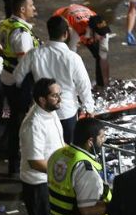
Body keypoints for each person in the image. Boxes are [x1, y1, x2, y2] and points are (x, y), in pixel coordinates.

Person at [12, 78, 65, 215]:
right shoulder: (34, 124)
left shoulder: (50, 114)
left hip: (49, 179)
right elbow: (35, 162)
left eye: (59, 94)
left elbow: (57, 145)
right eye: (54, 95)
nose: (59, 98)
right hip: (39, 183)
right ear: (42, 100)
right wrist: (62, 172)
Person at [0, 0, 40, 175]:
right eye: (31, 6)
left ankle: (7, 151)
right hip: (20, 83)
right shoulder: (22, 33)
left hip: (6, 77)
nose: (34, 8)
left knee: (14, 116)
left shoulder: (5, 23)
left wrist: (4, 55)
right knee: (19, 121)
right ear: (22, 9)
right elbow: (26, 63)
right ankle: (15, 163)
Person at [14, 16, 95, 144]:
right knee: (67, 151)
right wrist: (89, 107)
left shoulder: (33, 54)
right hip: (66, 112)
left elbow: (17, 78)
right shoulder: (73, 58)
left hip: (42, 111)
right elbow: (83, 85)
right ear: (66, 34)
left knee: (46, 148)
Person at [53, 4, 112, 87]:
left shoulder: (104, 34)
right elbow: (70, 57)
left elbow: (104, 58)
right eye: (100, 34)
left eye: (104, 33)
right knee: (64, 54)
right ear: (92, 31)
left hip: (84, 19)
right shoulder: (75, 31)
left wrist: (106, 84)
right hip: (63, 17)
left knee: (100, 55)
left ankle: (101, 85)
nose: (103, 37)